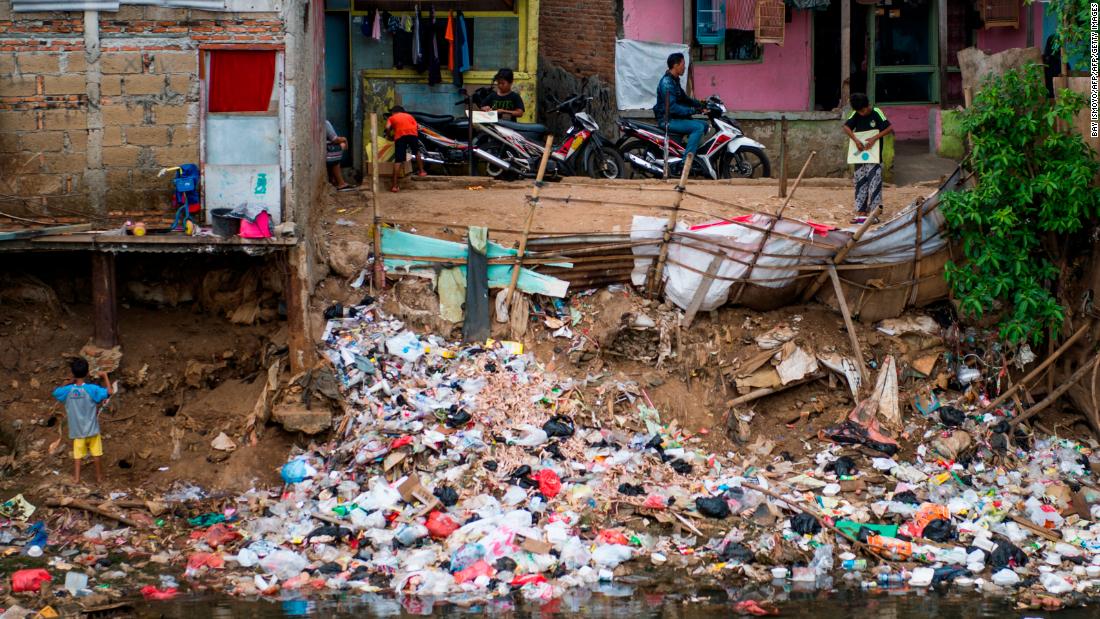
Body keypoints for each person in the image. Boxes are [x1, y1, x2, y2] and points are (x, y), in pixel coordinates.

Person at [52, 358, 112, 485]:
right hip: (92, 429)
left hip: (77, 430)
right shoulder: (92, 389)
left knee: (78, 455)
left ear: (73, 373)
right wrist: (105, 376)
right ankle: (99, 478)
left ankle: (77, 478)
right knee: (96, 454)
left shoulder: (68, 390)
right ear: (87, 372)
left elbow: (56, 392)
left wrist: (69, 381)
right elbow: (109, 392)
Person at [842, 93, 894, 224]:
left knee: (874, 184)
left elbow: (889, 128)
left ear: (867, 105)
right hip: (860, 157)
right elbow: (846, 127)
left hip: (874, 157)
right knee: (860, 183)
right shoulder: (856, 113)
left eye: (863, 110)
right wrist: (856, 140)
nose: (861, 113)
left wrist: (875, 138)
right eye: (859, 111)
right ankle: (861, 211)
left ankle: (874, 213)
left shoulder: (877, 112)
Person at [653, 52, 707, 158]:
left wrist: (701, 104)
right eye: (683, 65)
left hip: (675, 117)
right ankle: (686, 162)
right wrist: (695, 110)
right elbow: (673, 108)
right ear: (675, 65)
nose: (684, 67)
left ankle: (689, 150)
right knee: (698, 128)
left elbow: (684, 99)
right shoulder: (667, 83)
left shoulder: (674, 80)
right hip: (668, 120)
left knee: (704, 124)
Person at [385, 106, 427, 193]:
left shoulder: (392, 118)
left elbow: (387, 127)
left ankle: (395, 186)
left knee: (398, 160)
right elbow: (417, 126)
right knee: (416, 152)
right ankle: (422, 172)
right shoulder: (409, 116)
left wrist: (389, 136)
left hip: (400, 136)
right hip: (412, 134)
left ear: (394, 112)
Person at [325, 120, 353, 191]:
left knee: (335, 150)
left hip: (325, 150)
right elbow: (335, 139)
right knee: (340, 146)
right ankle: (341, 183)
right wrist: (344, 139)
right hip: (327, 152)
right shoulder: (325, 123)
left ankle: (334, 180)